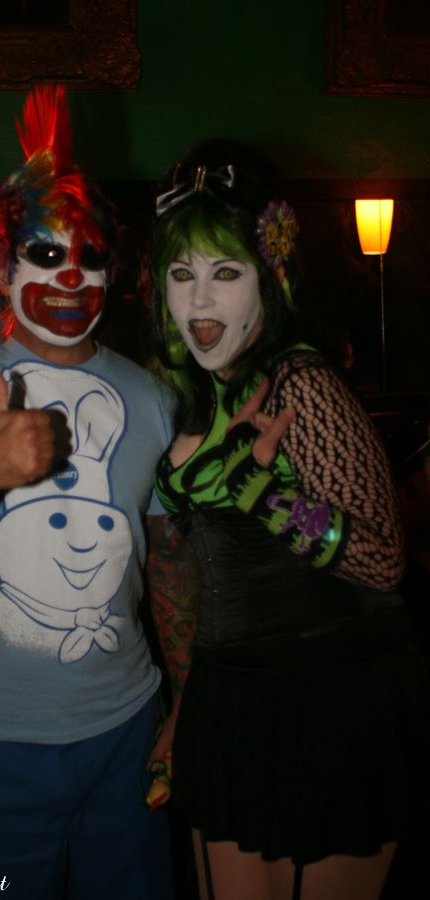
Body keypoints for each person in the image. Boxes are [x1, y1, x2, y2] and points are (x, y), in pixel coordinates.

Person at [0, 85, 194, 900]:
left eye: (91, 256)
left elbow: (168, 566)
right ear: (3, 265)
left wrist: (185, 706)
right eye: (46, 254)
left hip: (125, 736)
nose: (71, 274)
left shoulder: (153, 399)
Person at [147, 139, 430, 900]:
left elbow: (384, 561)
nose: (199, 302)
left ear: (271, 278)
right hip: (232, 696)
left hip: (332, 697)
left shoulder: (301, 382)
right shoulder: (198, 391)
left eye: (225, 273)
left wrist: (263, 495)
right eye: (182, 275)